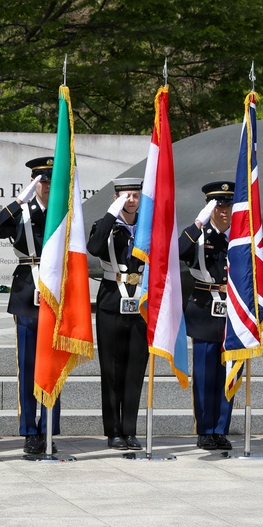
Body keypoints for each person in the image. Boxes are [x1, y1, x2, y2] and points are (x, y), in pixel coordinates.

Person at [0, 156, 61, 455]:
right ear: (34, 183)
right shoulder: (23, 211)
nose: (46, 186)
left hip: (56, 290)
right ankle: (30, 429)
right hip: (27, 290)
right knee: (29, 363)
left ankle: (49, 428)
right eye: (41, 180)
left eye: (50, 180)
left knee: (54, 364)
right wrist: (19, 200)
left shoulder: (64, 212)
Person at [87, 178, 148, 450]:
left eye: (135, 195)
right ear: (115, 198)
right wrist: (112, 213)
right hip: (112, 298)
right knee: (111, 369)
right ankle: (113, 431)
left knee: (135, 369)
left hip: (140, 302)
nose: (131, 200)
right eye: (125, 196)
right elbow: (94, 247)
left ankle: (130, 430)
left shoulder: (146, 227)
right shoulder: (106, 226)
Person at [179, 181, 234, 450]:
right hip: (204, 311)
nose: (224, 211)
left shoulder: (240, 237)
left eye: (228, 205)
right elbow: (178, 252)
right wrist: (197, 224)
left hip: (233, 314)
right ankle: (205, 429)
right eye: (219, 205)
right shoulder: (198, 235)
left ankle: (221, 429)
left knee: (229, 374)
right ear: (210, 206)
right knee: (204, 375)